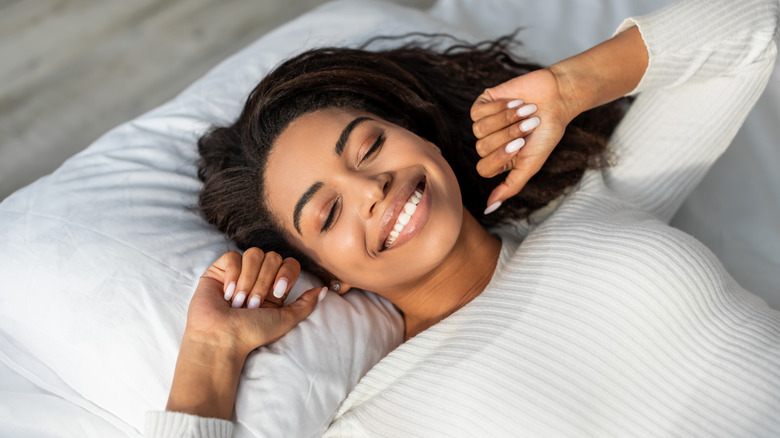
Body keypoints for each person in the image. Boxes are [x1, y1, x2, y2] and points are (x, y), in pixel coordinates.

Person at [146, 0, 780, 436]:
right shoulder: (381, 415)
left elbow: (755, 31)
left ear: (419, 136)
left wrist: (568, 87)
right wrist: (208, 357)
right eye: (328, 211)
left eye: (368, 147)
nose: (372, 188)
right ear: (326, 272)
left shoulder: (595, 203)